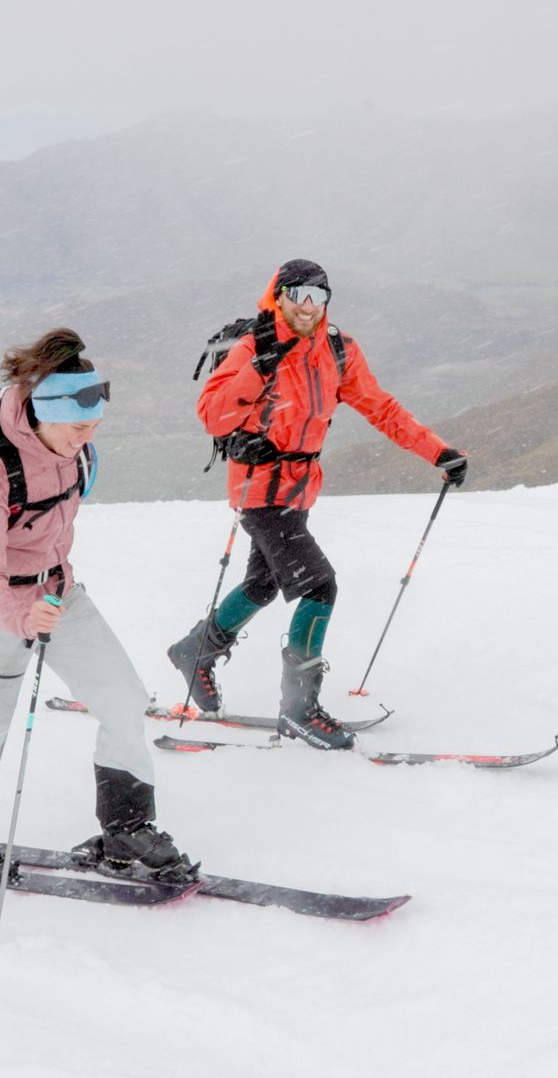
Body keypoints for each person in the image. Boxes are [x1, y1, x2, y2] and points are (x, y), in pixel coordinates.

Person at [0, 328, 197, 884]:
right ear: (42, 413)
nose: (88, 438)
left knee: (123, 700)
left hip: (59, 592)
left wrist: (50, 595)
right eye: (77, 427)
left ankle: (126, 828)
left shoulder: (74, 448)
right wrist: (21, 616)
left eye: (94, 426)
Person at [167, 258, 466, 751]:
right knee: (319, 586)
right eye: (298, 295)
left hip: (300, 489)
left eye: (318, 296)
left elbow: (381, 408)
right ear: (278, 296)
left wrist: (438, 451)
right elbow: (213, 416)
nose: (308, 306)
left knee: (263, 584)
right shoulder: (255, 347)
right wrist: (262, 364)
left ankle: (194, 651)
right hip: (259, 491)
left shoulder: (338, 351)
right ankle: (299, 708)